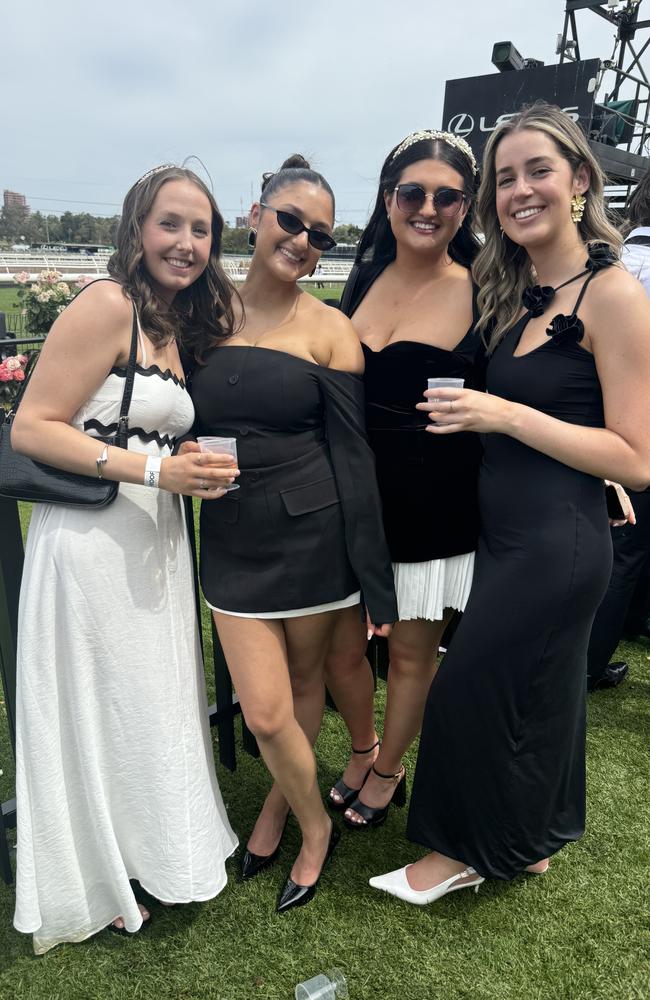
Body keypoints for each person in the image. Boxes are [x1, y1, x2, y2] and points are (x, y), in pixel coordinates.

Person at [369, 102, 650, 904]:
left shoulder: (614, 295)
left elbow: (638, 457)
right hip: (514, 528)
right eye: (504, 178)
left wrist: (505, 414)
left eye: (538, 171)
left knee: (473, 688)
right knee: (546, 692)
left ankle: (459, 852)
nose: (519, 190)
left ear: (581, 182)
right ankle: (532, 839)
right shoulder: (522, 285)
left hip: (553, 543)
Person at [11, 165, 239, 953]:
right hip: (91, 548)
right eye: (170, 224)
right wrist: (153, 468)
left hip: (155, 541)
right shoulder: (105, 304)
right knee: (96, 702)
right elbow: (33, 427)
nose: (185, 243)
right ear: (136, 229)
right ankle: (95, 874)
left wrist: (186, 459)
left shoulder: (172, 324)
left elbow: (145, 426)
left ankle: (148, 854)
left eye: (201, 229)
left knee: (143, 703)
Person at [185, 155, 397, 914]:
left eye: (320, 235)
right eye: (291, 221)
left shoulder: (332, 330)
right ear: (254, 216)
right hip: (233, 537)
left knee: (304, 691)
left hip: (315, 539)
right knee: (266, 710)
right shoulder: (200, 318)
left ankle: (282, 814)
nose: (304, 240)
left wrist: (374, 581)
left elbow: (353, 454)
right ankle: (317, 821)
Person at [322, 130, 484, 831]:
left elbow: (529, 388)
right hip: (352, 497)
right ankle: (362, 750)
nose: (428, 207)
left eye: (446, 196)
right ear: (388, 201)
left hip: (435, 500)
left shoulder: (486, 288)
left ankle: (389, 771)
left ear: (465, 206)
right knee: (341, 642)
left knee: (413, 652)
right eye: (412, 193)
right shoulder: (363, 278)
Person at [587, 167, 650, 690]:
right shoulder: (607, 275)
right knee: (627, 544)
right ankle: (592, 656)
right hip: (621, 430)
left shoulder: (616, 264)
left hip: (607, 433)